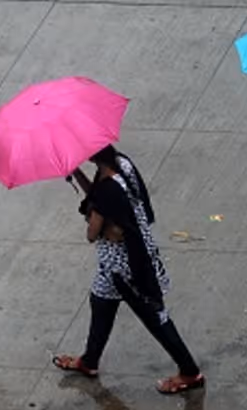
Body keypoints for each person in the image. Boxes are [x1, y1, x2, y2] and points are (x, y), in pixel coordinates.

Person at [52, 145, 204, 395]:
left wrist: (95, 220)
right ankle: (90, 361)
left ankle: (190, 371)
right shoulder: (121, 166)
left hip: (126, 266)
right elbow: (108, 200)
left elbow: (92, 233)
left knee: (155, 317)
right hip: (123, 257)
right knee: (100, 302)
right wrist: (76, 172)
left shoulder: (106, 189)